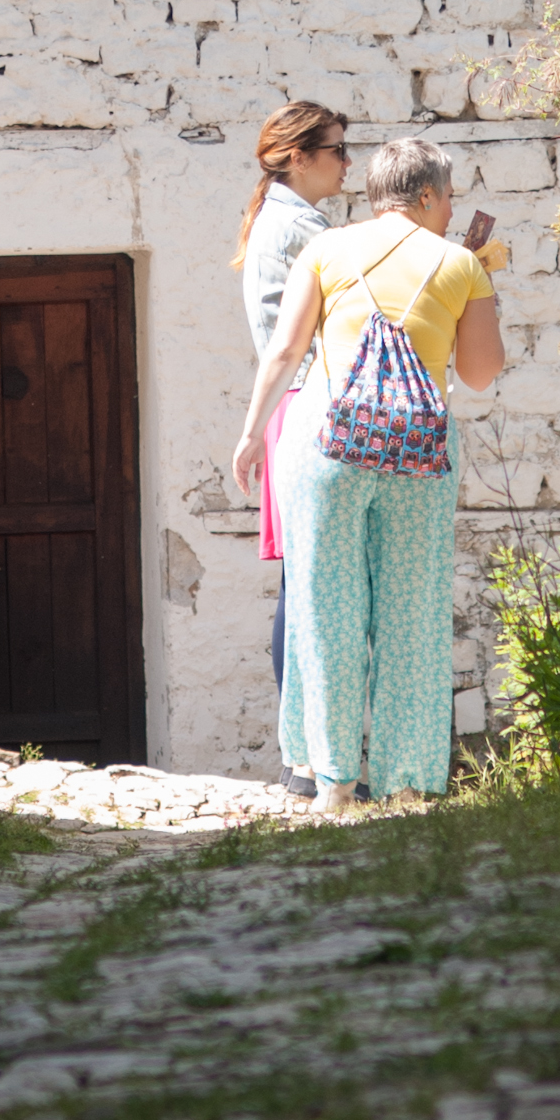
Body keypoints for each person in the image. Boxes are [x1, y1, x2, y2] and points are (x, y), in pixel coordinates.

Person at [232, 133, 504, 815]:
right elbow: (479, 374)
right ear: (425, 195)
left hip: (324, 444)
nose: (448, 211)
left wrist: (248, 435)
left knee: (323, 612)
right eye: (446, 198)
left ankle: (331, 784)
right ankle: (406, 783)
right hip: (419, 450)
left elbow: (286, 350)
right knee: (411, 614)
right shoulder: (458, 264)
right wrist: (480, 281)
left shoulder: (327, 249)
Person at [230, 102, 351, 789]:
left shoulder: (282, 220)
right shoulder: (303, 227)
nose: (347, 162)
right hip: (310, 408)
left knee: (305, 584)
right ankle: (305, 760)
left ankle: (305, 758)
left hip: (292, 411)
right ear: (299, 156)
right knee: (309, 587)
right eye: (336, 150)